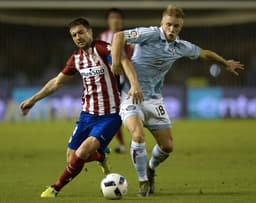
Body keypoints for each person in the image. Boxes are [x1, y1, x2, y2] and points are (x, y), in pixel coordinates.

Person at [111, 4, 244, 196]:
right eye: (169, 25)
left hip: (155, 100)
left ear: (180, 28)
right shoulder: (149, 34)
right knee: (138, 135)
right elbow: (119, 36)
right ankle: (143, 182)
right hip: (131, 95)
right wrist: (116, 62)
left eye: (176, 26)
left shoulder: (181, 47)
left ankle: (151, 167)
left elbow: (204, 53)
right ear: (162, 23)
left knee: (167, 146)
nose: (172, 29)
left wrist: (225, 63)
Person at [20, 18, 143, 198]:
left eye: (81, 33)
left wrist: (134, 84)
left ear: (90, 32)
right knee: (72, 158)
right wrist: (33, 99)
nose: (78, 37)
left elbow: (123, 60)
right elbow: (57, 82)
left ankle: (55, 188)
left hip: (110, 115)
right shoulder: (76, 59)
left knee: (83, 151)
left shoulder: (101, 48)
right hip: (87, 115)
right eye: (74, 35)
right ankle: (101, 156)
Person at [97, 8, 133, 153]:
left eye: (118, 17)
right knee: (109, 112)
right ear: (108, 21)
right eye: (112, 17)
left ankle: (131, 142)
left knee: (122, 111)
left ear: (122, 20)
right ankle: (118, 144)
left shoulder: (129, 37)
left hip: (124, 80)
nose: (115, 20)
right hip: (106, 80)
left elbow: (131, 58)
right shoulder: (102, 36)